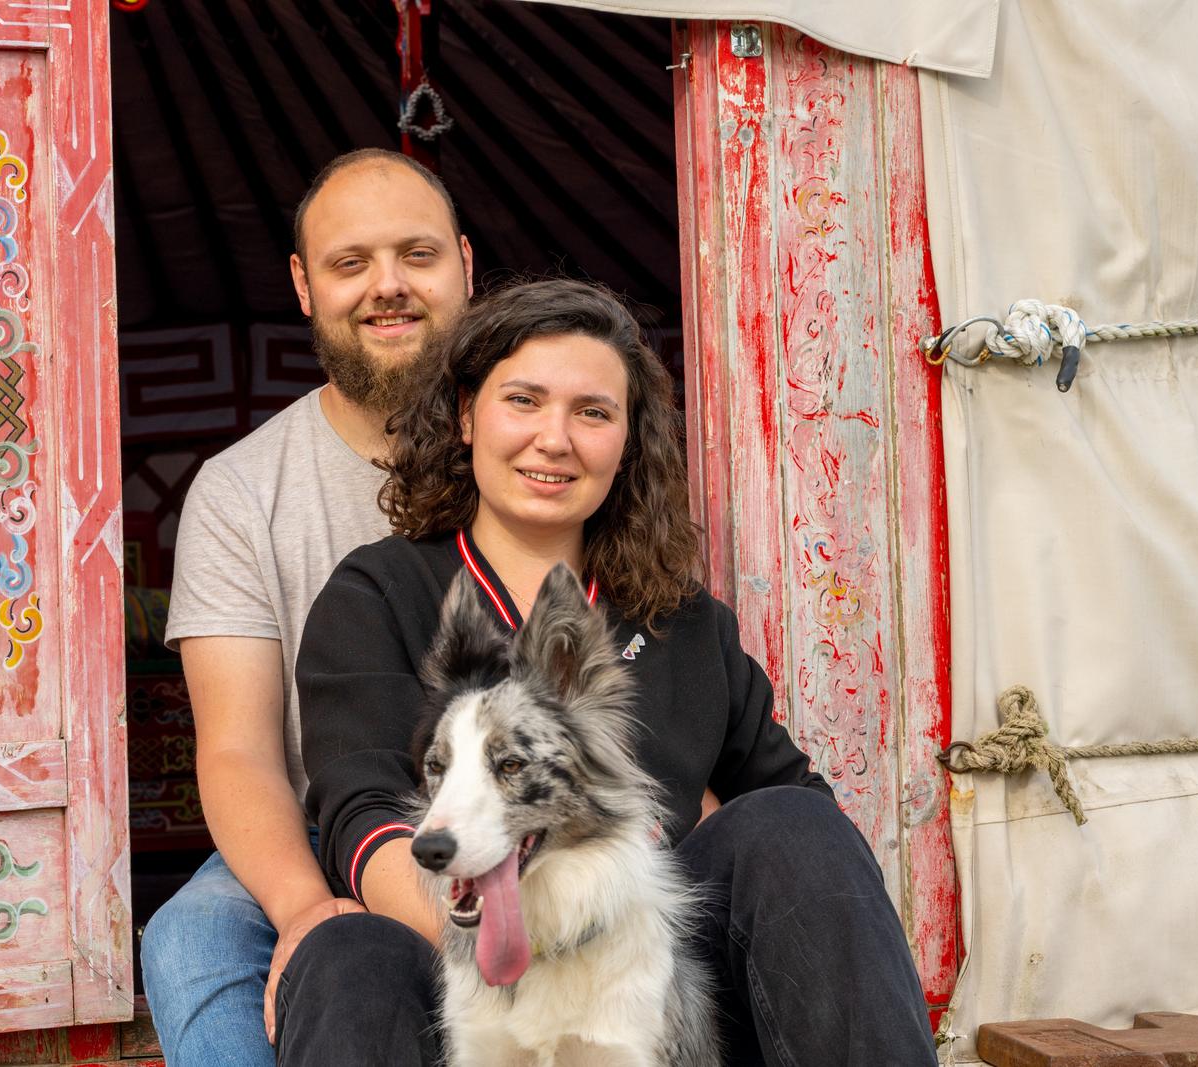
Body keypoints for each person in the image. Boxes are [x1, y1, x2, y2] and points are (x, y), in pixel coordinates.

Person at [280, 279, 939, 1065]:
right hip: (455, 958)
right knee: (343, 951)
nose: (555, 439)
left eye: (593, 412)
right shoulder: (379, 594)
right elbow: (365, 816)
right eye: (523, 400)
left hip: (652, 976)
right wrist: (518, 941)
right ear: (465, 415)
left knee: (794, 827)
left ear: (628, 440)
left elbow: (792, 816)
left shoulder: (682, 620)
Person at [143, 148, 474, 1065]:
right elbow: (240, 745)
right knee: (191, 941)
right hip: (317, 826)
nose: (388, 287)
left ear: (466, 265)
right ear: (302, 284)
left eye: (417, 255)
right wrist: (302, 907)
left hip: (502, 813)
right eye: (350, 263)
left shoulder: (535, 445)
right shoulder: (243, 490)